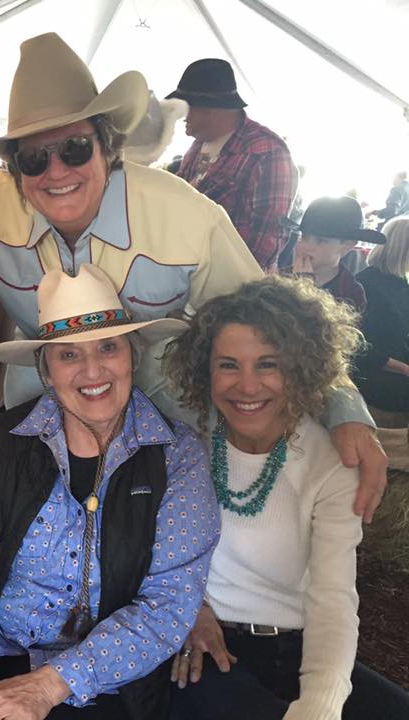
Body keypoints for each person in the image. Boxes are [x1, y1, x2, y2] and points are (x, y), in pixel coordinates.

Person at [0, 31, 387, 522]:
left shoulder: (185, 216)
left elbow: (274, 319)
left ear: (108, 145)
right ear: (13, 167)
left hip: (161, 421)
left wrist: (344, 408)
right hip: (42, 418)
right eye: (33, 157)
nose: (55, 171)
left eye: (75, 148)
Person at [0, 265, 217, 720]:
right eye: (68, 354)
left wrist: (47, 686)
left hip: (110, 680)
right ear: (47, 370)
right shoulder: (8, 441)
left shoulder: (177, 456)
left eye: (108, 347)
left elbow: (168, 605)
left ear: (132, 356)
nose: (92, 370)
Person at [162, 276, 409, 720]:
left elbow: (334, 598)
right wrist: (189, 609)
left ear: (301, 368)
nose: (247, 386)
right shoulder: (189, 441)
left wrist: (319, 704)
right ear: (205, 369)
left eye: (268, 364)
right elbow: (154, 552)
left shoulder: (331, 461)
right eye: (228, 365)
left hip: (300, 643)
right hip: (207, 643)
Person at [168, 58, 298, 272]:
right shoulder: (200, 143)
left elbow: (263, 244)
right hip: (186, 274)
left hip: (229, 285)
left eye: (187, 106)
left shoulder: (266, 152)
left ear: (211, 109)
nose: (181, 115)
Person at [291, 196, 386, 312]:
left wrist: (303, 288)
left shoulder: (351, 293)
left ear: (347, 246)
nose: (306, 246)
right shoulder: (285, 276)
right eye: (304, 237)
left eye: (321, 241)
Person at [353, 217, 409, 413]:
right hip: (374, 377)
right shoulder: (363, 286)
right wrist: (404, 368)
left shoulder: (401, 284)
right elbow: (359, 348)